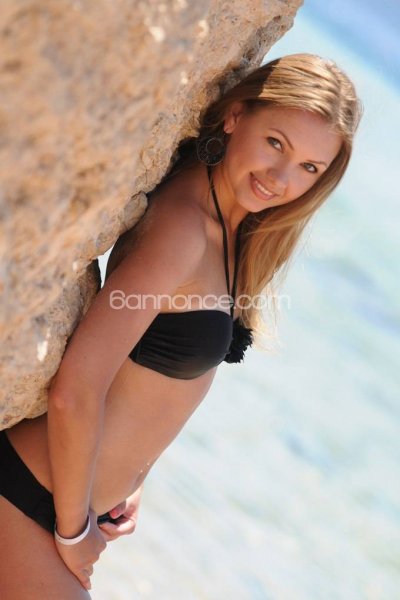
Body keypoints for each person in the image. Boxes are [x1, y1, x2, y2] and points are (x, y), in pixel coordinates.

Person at [0, 53, 362, 599]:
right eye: (276, 143)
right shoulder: (184, 229)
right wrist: (72, 531)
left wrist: (134, 478)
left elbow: (150, 386)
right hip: (33, 501)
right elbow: (77, 387)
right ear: (235, 117)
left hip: (69, 502)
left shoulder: (233, 231)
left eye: (309, 167)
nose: (281, 177)